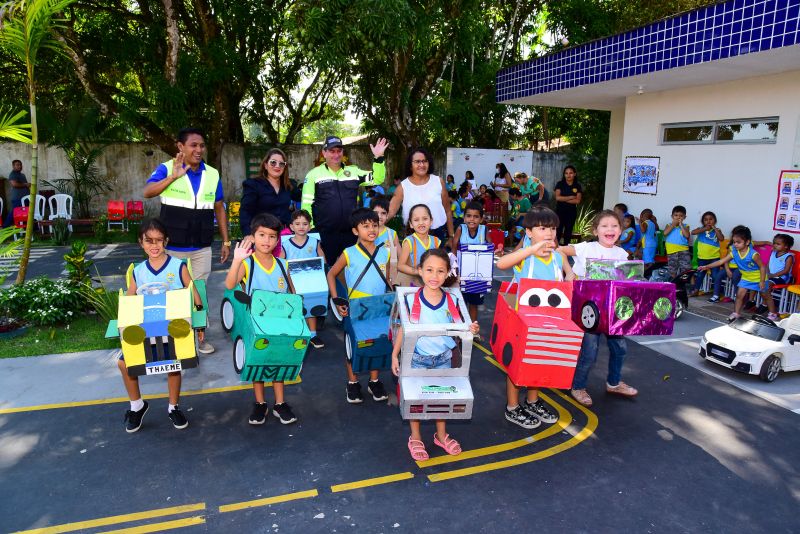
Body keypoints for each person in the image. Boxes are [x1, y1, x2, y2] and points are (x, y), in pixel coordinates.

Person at [143, 128, 230, 354]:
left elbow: (219, 207)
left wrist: (226, 241)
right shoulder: (166, 168)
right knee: (173, 293)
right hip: (172, 248)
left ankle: (200, 337)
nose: (199, 149)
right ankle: (174, 338)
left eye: (201, 145)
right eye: (193, 145)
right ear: (180, 147)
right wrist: (173, 176)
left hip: (201, 246)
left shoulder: (212, 174)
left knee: (198, 291)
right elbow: (148, 191)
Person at [391, 248, 479, 460]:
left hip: (443, 358)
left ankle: (441, 435)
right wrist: (395, 354)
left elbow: (461, 326)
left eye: (440, 271)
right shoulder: (411, 299)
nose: (434, 275)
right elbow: (404, 328)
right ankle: (415, 437)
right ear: (419, 271)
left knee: (441, 398)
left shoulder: (452, 300)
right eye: (429, 270)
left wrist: (471, 328)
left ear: (447, 273)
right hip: (416, 359)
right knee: (416, 400)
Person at [119, 218, 201, 433]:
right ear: (141, 242)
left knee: (175, 363)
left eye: (158, 241)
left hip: (172, 327)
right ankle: (137, 406)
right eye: (149, 241)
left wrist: (200, 322)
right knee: (124, 363)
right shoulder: (138, 271)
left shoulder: (177, 266)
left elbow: (193, 292)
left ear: (166, 241)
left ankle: (173, 407)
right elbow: (129, 301)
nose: (154, 246)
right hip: (146, 328)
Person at [497, 206, 573, 427]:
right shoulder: (525, 257)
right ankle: (512, 406)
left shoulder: (557, 256)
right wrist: (530, 250)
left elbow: (569, 272)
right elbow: (502, 264)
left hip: (549, 320)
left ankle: (532, 401)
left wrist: (570, 276)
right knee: (517, 364)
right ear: (529, 232)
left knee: (537, 362)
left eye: (552, 228)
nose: (549, 233)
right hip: (523, 320)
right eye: (542, 228)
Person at [225, 213, 299, 425]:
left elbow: (292, 294)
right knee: (257, 363)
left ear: (278, 240)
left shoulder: (283, 265)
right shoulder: (247, 264)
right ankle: (260, 403)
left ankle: (280, 403)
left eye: (272, 236)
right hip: (256, 324)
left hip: (279, 324)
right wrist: (237, 260)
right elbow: (230, 285)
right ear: (253, 237)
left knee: (279, 362)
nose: (267, 240)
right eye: (262, 235)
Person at [559, 210, 637, 407]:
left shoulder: (622, 254)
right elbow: (559, 250)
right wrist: (569, 272)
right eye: (605, 226)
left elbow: (624, 283)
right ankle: (578, 386)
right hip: (589, 312)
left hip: (612, 313)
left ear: (621, 230)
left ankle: (614, 382)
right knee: (590, 351)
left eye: (614, 226)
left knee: (619, 348)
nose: (610, 229)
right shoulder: (586, 248)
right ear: (596, 230)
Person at [326, 208, 391, 404]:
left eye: (374, 225)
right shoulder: (349, 253)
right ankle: (353, 383)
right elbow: (332, 274)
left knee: (377, 342)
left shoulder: (385, 253)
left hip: (379, 307)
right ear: (355, 231)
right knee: (352, 346)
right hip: (355, 307)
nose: (371, 229)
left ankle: (374, 381)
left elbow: (387, 280)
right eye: (365, 226)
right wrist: (338, 300)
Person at [301, 135, 389, 264]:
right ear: (324, 153)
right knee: (326, 270)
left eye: (339, 151)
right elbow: (306, 205)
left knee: (350, 269)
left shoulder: (353, 171)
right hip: (324, 234)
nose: (336, 154)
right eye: (332, 151)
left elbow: (377, 179)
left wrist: (379, 158)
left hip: (350, 233)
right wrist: (312, 229)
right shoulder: (313, 174)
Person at [699, 225, 777, 321]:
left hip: (758, 277)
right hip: (746, 277)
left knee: (766, 296)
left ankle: (773, 314)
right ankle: (736, 313)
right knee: (739, 295)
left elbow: (762, 267)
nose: (735, 244)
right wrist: (707, 266)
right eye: (734, 242)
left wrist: (761, 281)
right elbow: (721, 261)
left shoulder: (753, 254)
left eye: (738, 242)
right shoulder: (734, 252)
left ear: (747, 242)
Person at [278, 209, 325, 349]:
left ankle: (313, 334)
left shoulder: (315, 242)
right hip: (292, 282)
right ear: (291, 227)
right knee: (294, 307)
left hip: (311, 282)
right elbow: (281, 264)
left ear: (309, 226)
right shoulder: (286, 245)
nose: (301, 226)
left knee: (311, 307)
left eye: (305, 224)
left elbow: (322, 260)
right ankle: (296, 332)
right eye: (297, 224)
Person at [387, 148, 454, 243]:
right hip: (413, 236)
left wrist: (451, 236)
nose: (421, 165)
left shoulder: (438, 182)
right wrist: (373, 225)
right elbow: (390, 212)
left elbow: (447, 210)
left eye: (424, 161)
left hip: (437, 234)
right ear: (410, 165)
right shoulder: (403, 187)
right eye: (417, 162)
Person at [451, 201, 490, 325]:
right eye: (468, 216)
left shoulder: (484, 230)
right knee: (461, 302)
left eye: (476, 216)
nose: (471, 219)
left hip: (478, 276)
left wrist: (498, 248)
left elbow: (491, 246)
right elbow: (454, 246)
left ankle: (473, 330)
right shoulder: (460, 229)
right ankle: (460, 329)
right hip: (462, 274)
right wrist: (454, 265)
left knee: (474, 304)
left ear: (481, 219)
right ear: (464, 217)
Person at [240, 148, 293, 235]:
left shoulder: (289, 186)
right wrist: (247, 234)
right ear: (265, 165)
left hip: (284, 235)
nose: (277, 166)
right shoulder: (253, 185)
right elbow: (245, 211)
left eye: (281, 164)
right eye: (273, 162)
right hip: (262, 236)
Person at [398, 204, 441, 286]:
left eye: (425, 219)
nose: (421, 223)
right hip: (413, 283)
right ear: (411, 224)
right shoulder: (409, 241)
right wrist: (419, 272)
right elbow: (400, 266)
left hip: (431, 282)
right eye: (416, 220)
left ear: (431, 221)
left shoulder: (436, 241)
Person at [691, 211, 725, 301]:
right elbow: (693, 232)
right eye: (706, 220)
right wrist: (704, 229)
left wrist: (715, 229)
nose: (708, 221)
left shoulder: (717, 231)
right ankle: (695, 290)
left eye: (711, 219)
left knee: (715, 276)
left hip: (714, 258)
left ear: (715, 221)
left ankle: (716, 294)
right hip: (702, 258)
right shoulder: (700, 230)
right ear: (703, 222)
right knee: (700, 275)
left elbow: (721, 238)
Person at [554, 165, 582, 245]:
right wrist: (570, 197)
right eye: (566, 173)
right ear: (564, 174)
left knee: (568, 231)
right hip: (560, 212)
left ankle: (566, 249)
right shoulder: (560, 184)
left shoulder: (577, 186)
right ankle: (555, 248)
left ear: (575, 174)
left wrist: (564, 199)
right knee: (558, 231)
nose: (568, 175)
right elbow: (557, 198)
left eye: (571, 173)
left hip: (571, 213)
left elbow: (577, 201)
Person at [663, 205, 692, 278]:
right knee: (672, 270)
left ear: (684, 217)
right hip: (671, 251)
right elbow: (665, 233)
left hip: (683, 250)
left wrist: (681, 225)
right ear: (672, 216)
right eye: (676, 215)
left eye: (681, 216)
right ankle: (674, 285)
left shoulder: (686, 226)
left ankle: (690, 286)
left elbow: (687, 235)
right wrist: (673, 224)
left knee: (687, 269)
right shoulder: (669, 225)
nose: (678, 217)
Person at [5, 159, 30, 227]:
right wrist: (25, 185)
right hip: (18, 198)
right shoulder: (13, 174)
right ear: (13, 166)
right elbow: (14, 184)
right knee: (13, 213)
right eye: (17, 165)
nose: (19, 166)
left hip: (25, 198)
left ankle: (25, 228)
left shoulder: (22, 175)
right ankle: (5, 227)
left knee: (25, 214)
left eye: (20, 165)